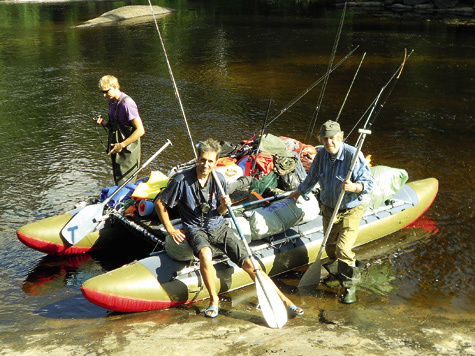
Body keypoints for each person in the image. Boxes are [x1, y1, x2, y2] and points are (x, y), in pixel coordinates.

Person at [154, 138, 304, 319]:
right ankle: (214, 301)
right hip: (196, 229)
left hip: (218, 225)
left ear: (216, 162)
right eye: (202, 160)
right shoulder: (181, 180)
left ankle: (285, 301)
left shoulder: (219, 179)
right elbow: (159, 202)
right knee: (205, 254)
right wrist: (170, 229)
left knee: (251, 265)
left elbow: (219, 211)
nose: (205, 165)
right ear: (197, 158)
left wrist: (226, 205)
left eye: (210, 161)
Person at [289, 120, 373, 304]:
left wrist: (355, 187)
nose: (329, 143)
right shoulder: (320, 155)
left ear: (340, 137)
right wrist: (298, 193)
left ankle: (350, 286)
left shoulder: (353, 155)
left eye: (333, 138)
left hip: (351, 209)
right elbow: (312, 178)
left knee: (343, 249)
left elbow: (369, 184)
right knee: (330, 248)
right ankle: (339, 274)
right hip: (328, 209)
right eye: (325, 139)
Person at [95, 75, 145, 185]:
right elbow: (116, 125)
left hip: (128, 150)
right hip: (116, 149)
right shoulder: (112, 102)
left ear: (114, 87)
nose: (104, 95)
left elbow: (140, 130)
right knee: (118, 181)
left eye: (106, 92)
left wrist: (122, 145)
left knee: (126, 183)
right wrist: (104, 123)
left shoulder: (128, 104)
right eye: (102, 92)